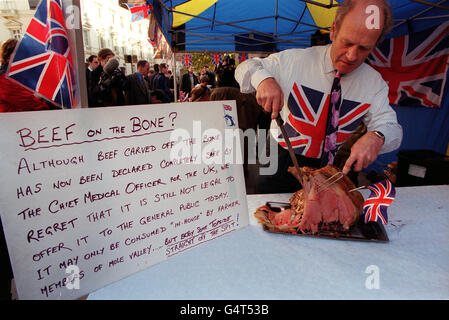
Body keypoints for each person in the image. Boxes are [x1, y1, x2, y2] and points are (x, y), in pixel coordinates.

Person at [235, 0, 403, 193]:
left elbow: (392, 128)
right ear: (333, 30)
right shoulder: (294, 61)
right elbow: (245, 68)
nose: (351, 55)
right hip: (280, 155)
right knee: (270, 210)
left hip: (332, 163)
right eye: (346, 42)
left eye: (364, 48)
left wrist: (377, 137)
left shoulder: (374, 83)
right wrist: (263, 79)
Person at [0, 38, 52, 112]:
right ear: (7, 57)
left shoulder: (18, 74)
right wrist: (39, 97)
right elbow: (33, 105)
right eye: (18, 53)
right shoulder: (5, 79)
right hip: (17, 121)